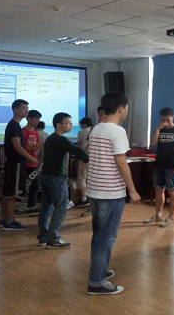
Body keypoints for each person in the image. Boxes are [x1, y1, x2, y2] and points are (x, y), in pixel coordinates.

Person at [86, 92, 140, 295]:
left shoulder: (96, 128)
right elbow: (121, 162)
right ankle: (96, 283)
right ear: (121, 109)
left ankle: (100, 270)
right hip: (110, 193)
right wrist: (132, 190)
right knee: (106, 238)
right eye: (126, 108)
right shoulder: (117, 131)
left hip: (94, 190)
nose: (126, 111)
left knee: (99, 235)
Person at [37, 112, 89, 248]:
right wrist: (88, 160)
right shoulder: (60, 139)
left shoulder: (50, 138)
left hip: (46, 176)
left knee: (46, 208)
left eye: (71, 123)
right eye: (68, 123)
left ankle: (44, 237)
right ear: (58, 125)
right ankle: (53, 239)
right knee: (61, 207)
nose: (71, 126)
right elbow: (76, 150)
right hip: (56, 178)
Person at [0, 99, 38, 231]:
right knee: (13, 193)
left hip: (13, 162)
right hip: (16, 163)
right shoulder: (14, 126)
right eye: (23, 108)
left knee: (8, 192)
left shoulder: (14, 125)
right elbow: (17, 146)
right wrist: (30, 158)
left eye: (27, 108)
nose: (26, 111)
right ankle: (9, 222)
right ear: (15, 110)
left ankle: (5, 220)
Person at [142, 107, 174, 228]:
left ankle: (171, 217)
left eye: (167, 120)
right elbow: (153, 143)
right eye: (163, 120)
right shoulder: (160, 129)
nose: (165, 122)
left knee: (172, 190)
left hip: (172, 166)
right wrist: (157, 129)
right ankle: (158, 215)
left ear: (173, 117)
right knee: (159, 190)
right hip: (159, 164)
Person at [80, 106, 104, 218]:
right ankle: (92, 207)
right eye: (99, 114)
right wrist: (83, 158)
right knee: (91, 184)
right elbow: (88, 144)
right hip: (93, 162)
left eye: (103, 114)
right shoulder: (95, 129)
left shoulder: (115, 129)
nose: (100, 117)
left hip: (105, 164)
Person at [23, 110, 43, 217]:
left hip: (34, 163)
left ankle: (32, 206)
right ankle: (20, 205)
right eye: (35, 119)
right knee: (22, 185)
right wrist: (34, 146)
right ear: (29, 119)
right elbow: (21, 148)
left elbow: (38, 147)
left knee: (35, 185)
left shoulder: (35, 133)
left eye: (38, 119)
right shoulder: (23, 132)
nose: (37, 121)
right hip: (24, 163)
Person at [71, 117, 93, 208]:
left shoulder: (81, 132)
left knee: (81, 177)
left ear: (84, 124)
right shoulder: (95, 130)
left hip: (85, 156)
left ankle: (84, 199)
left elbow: (79, 145)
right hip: (95, 157)